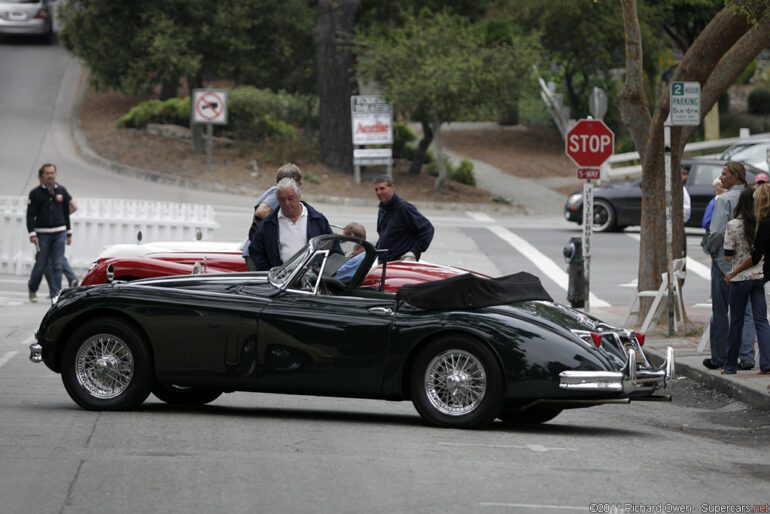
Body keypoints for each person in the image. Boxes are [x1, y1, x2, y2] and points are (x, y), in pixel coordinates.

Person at [703, 162, 747, 370]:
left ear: (736, 176)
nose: (720, 178)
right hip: (749, 260)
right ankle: (746, 356)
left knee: (720, 311)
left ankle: (720, 357)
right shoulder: (752, 196)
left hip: (724, 261)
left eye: (724, 174)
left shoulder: (724, 200)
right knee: (747, 311)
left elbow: (717, 233)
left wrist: (710, 250)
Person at [720, 187, 769, 374]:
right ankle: (767, 363)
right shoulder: (761, 223)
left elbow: (728, 257)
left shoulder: (733, 225)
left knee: (737, 322)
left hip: (739, 279)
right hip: (758, 277)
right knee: (761, 321)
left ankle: (731, 365)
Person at [248, 178, 335, 271]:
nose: (287, 203)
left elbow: (334, 248)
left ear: (299, 196)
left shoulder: (317, 219)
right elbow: (255, 250)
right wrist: (269, 272)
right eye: (282, 200)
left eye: (290, 198)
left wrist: (324, 273)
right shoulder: (269, 223)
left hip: (312, 280)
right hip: (282, 282)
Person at [26, 163, 72, 302]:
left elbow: (66, 213)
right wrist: (32, 233)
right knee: (40, 265)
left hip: (60, 232)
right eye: (47, 173)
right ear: (42, 175)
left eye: (52, 173)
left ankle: (55, 296)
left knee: (57, 265)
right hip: (42, 234)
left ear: (55, 174)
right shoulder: (35, 193)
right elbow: (30, 216)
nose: (50, 176)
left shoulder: (62, 191)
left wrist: (69, 232)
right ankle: (32, 288)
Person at [243, 163, 303, 271]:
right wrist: (282, 222)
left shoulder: (273, 191)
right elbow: (261, 211)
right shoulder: (278, 194)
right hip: (257, 251)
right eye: (298, 181)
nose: (301, 184)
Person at [373, 175, 434, 262]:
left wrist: (413, 252)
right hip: (384, 262)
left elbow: (428, 229)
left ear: (393, 188)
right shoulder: (383, 208)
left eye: (382, 188)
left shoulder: (404, 208)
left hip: (399, 264)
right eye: (376, 190)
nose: (379, 192)